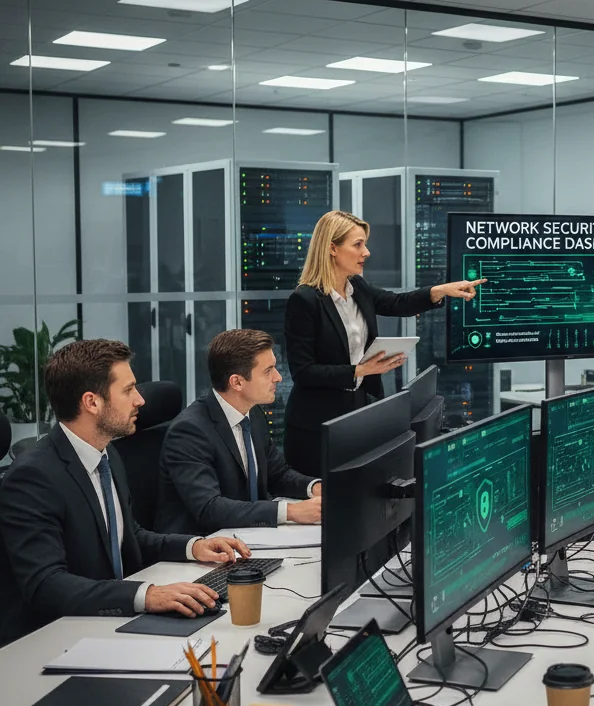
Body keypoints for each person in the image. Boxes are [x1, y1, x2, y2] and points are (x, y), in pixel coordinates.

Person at [0, 339, 250, 647]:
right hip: (56, 640)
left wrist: (194, 546)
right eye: (128, 390)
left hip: (108, 624)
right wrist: (147, 595)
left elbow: (126, 537)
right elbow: (46, 585)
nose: (140, 400)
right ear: (92, 402)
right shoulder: (34, 477)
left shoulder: (108, 455)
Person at [283, 209, 484, 476]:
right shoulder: (305, 300)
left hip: (359, 412)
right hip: (318, 425)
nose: (366, 252)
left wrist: (440, 291)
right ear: (332, 248)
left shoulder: (358, 288)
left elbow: (396, 302)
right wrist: (360, 370)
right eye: (358, 245)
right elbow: (303, 372)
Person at [155, 329, 320, 536]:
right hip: (202, 547)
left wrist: (314, 488)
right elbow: (210, 508)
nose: (278, 377)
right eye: (268, 371)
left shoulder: (253, 414)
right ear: (237, 382)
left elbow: (277, 474)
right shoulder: (189, 431)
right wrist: (291, 512)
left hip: (247, 538)